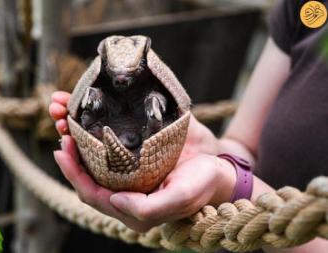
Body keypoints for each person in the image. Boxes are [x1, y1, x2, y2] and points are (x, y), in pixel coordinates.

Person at [49, 0, 328, 252]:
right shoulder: (309, 9)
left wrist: (234, 186)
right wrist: (212, 151)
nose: (122, 81)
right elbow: (244, 146)